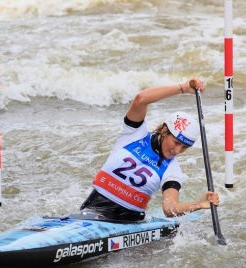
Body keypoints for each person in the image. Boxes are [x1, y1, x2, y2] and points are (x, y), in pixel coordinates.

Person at [80, 78, 220, 221]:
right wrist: (182, 88)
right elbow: (141, 99)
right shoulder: (134, 134)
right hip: (91, 211)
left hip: (127, 222)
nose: (178, 151)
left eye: (184, 147)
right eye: (177, 142)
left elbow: (170, 209)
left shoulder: (172, 170)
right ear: (165, 130)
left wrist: (200, 204)